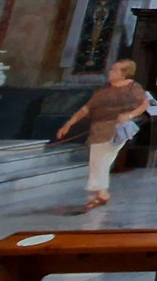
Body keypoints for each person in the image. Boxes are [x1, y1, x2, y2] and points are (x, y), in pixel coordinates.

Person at [57, 59, 149, 211]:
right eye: (111, 69)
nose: (110, 72)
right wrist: (69, 123)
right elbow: (86, 108)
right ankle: (102, 193)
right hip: (99, 129)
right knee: (101, 161)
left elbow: (144, 104)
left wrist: (129, 115)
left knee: (99, 160)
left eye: (115, 70)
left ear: (124, 73)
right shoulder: (103, 90)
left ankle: (98, 193)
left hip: (117, 129)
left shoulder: (133, 87)